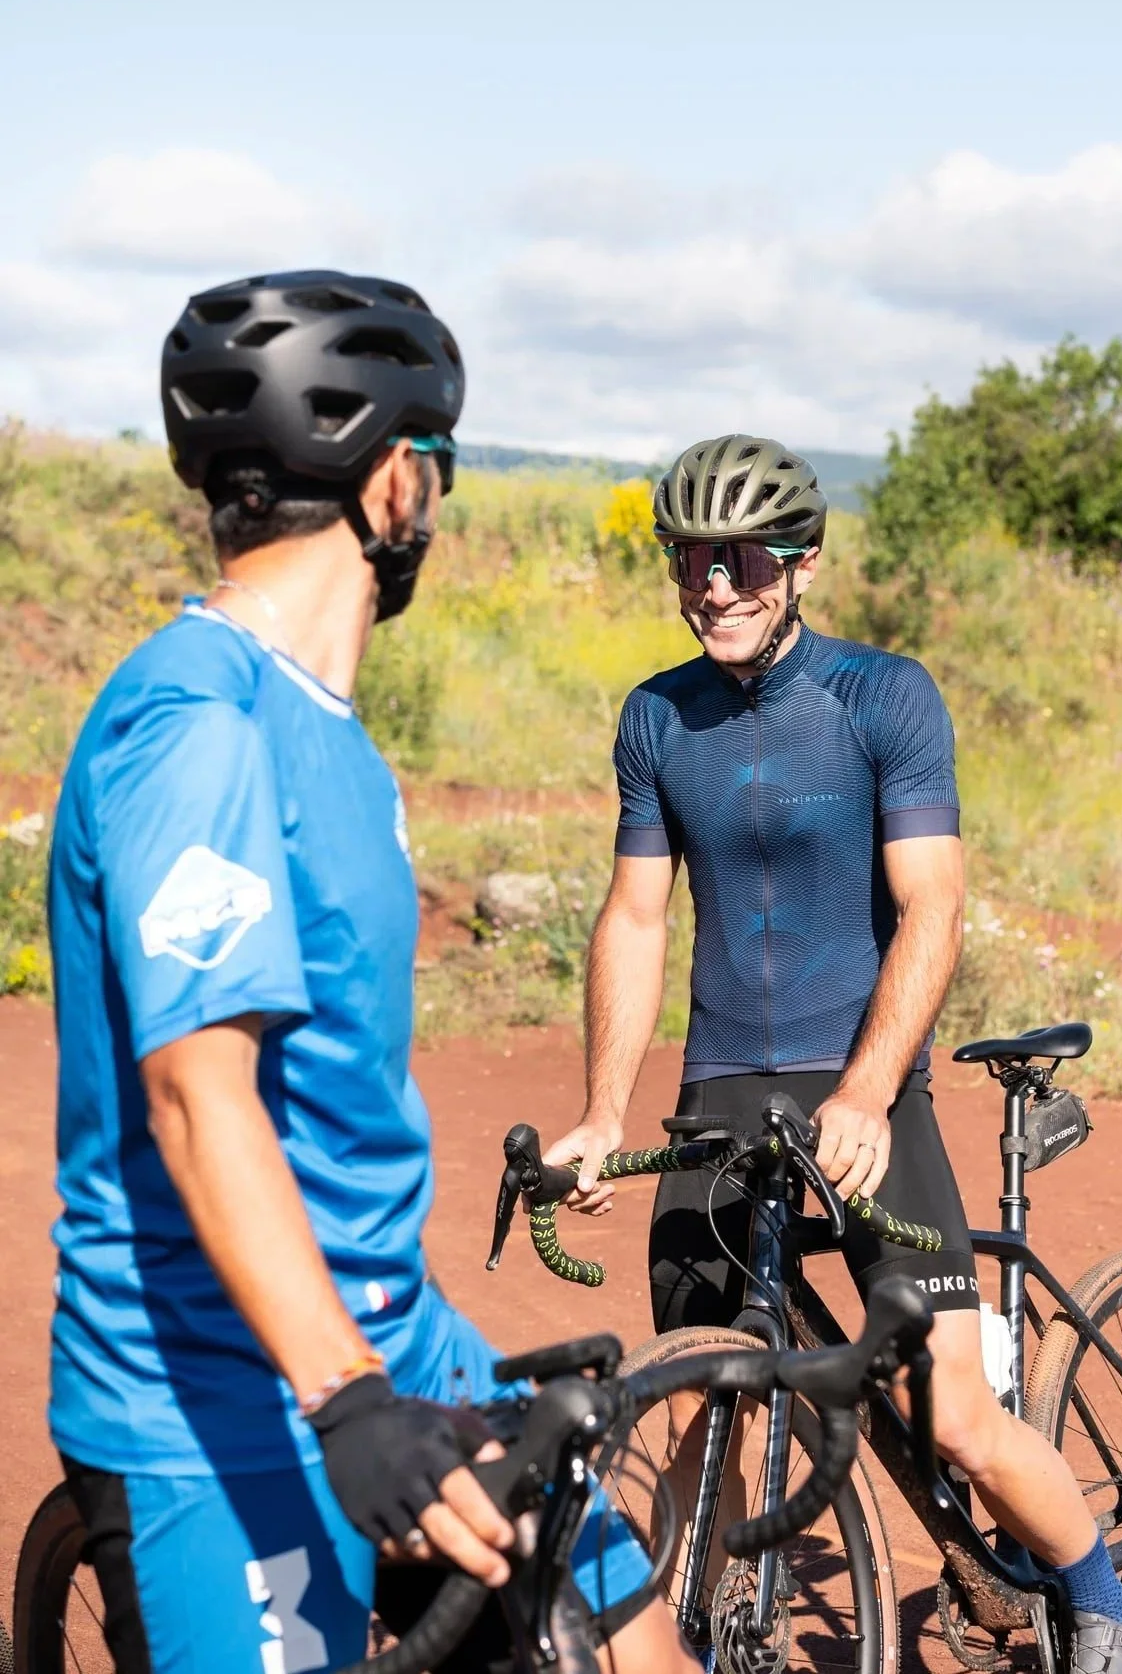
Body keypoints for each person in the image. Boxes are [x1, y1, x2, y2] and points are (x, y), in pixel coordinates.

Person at [47, 271, 693, 1674]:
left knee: (645, 1649)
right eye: (438, 469)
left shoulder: (327, 730)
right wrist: (346, 1399)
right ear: (393, 479)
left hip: (400, 1328)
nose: (435, 504)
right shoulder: (195, 724)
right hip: (214, 1389)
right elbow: (196, 1100)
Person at [545, 433, 1122, 1674]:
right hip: (723, 1090)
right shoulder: (656, 718)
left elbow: (930, 907)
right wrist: (604, 1109)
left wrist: (872, 1092)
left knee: (951, 1412)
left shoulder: (885, 698)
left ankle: (1104, 1602)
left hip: (865, 1085)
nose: (713, 583)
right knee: (695, 1413)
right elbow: (632, 915)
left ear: (802, 560)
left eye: (743, 557)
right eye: (689, 557)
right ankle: (675, 1647)